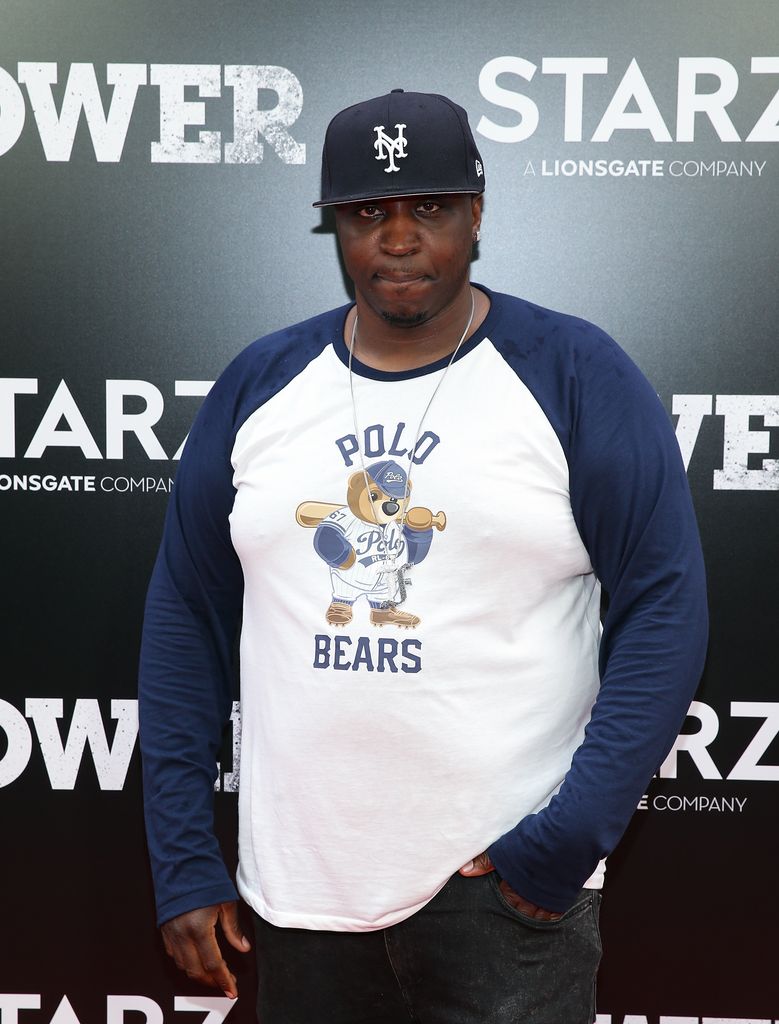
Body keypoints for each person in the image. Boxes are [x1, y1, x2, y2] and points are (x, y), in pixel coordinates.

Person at [139, 89, 707, 1024]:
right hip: (299, 898)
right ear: (334, 227)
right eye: (368, 212)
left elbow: (665, 608)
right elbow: (184, 619)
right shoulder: (261, 384)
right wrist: (183, 859)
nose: (398, 239)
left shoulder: (572, 373)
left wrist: (558, 846)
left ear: (475, 214)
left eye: (429, 208)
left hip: (503, 896)